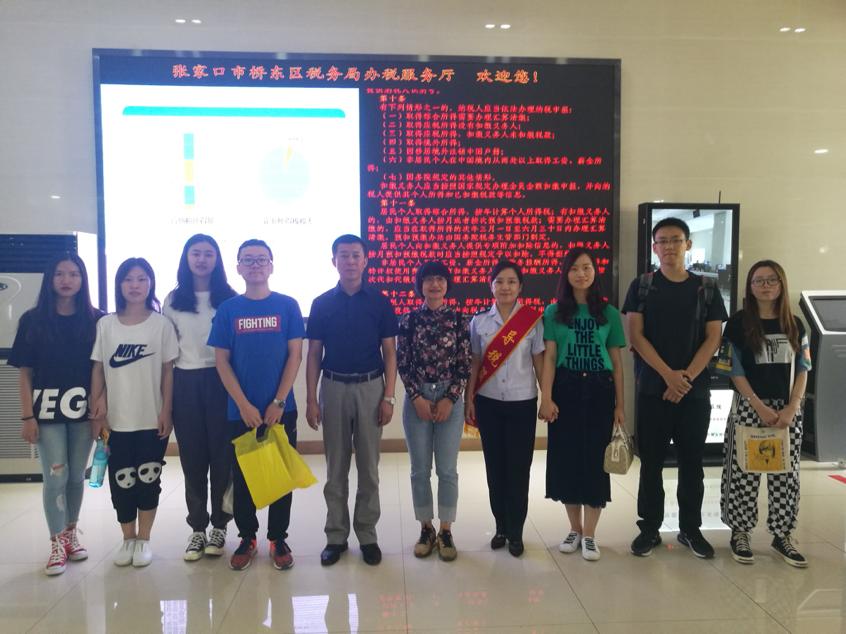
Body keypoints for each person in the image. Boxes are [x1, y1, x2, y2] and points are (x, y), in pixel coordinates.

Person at [622, 217, 727, 559]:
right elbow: (636, 336)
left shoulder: (706, 288)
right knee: (651, 463)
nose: (669, 246)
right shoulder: (642, 286)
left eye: (675, 240)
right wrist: (668, 375)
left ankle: (691, 530)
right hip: (653, 390)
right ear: (654, 248)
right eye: (662, 241)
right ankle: (649, 529)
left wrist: (684, 379)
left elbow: (713, 338)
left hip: (693, 393)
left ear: (688, 245)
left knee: (692, 463)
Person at [207, 239, 304, 572]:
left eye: (262, 259)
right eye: (248, 260)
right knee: (244, 478)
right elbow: (222, 361)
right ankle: (247, 537)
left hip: (281, 409)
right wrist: (243, 404)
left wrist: (279, 401)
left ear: (271, 265)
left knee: (280, 477)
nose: (255, 265)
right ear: (238, 267)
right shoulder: (228, 310)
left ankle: (278, 538)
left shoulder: (288, 306)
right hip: (241, 412)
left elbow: (295, 355)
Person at [305, 234, 398, 567]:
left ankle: (368, 535)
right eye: (343, 255)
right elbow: (313, 354)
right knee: (336, 468)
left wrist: (389, 396)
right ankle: (336, 536)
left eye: (356, 255)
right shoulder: (321, 304)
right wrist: (311, 399)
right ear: (334, 261)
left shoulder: (380, 302)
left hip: (371, 388)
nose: (350, 261)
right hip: (333, 387)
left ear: (365, 260)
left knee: (369, 468)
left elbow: (390, 352)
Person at [9, 253, 102, 576]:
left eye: (74, 274)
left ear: (83, 280)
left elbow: (100, 371)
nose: (66, 280)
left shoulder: (96, 320)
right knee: (56, 477)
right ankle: (56, 543)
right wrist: (26, 417)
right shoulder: (32, 320)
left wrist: (100, 412)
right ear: (50, 279)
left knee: (76, 476)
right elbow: (24, 373)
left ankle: (70, 534)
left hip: (83, 413)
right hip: (46, 414)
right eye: (60, 273)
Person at [719, 260, 811, 567]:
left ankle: (782, 534)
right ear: (750, 286)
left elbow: (804, 368)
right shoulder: (737, 324)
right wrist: (757, 404)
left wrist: (792, 407)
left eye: (772, 280)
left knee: (786, 474)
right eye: (758, 281)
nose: (765, 286)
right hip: (749, 406)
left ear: (782, 284)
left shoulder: (795, 324)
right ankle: (740, 532)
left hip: (787, 410)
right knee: (743, 472)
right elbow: (731, 368)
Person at [538, 248, 626, 561]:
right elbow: (550, 357)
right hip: (566, 388)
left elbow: (617, 363)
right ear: (566, 274)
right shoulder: (553, 312)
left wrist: (620, 405)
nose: (581, 273)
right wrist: (547, 397)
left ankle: (590, 534)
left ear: (594, 271)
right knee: (567, 459)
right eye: (574, 268)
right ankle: (574, 528)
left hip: (599, 389)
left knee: (594, 461)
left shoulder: (609, 313)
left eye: (586, 267)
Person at [90, 257, 178, 568]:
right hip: (116, 420)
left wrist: (166, 411)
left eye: (142, 279)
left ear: (150, 283)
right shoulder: (106, 324)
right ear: (119, 285)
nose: (135, 285)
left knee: (148, 478)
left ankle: (144, 539)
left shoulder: (162, 325)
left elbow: (168, 372)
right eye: (128, 279)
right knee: (121, 480)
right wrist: (97, 405)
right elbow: (98, 368)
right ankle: (127, 538)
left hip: (151, 418)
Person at [163, 234, 237, 562]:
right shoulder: (173, 299)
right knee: (192, 459)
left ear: (217, 259)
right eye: (196, 253)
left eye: (209, 254)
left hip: (221, 380)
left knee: (222, 457)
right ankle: (197, 528)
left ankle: (220, 525)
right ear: (186, 258)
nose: (202, 259)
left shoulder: (230, 298)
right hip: (185, 381)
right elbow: (168, 352)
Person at [465, 260, 544, 557]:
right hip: (488, 402)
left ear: (520, 286)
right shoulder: (479, 322)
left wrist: (547, 396)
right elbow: (475, 362)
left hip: (522, 402)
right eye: (499, 281)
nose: (505, 287)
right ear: (491, 286)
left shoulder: (532, 320)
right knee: (495, 468)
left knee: (518, 469)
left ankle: (516, 531)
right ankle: (500, 526)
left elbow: (538, 361)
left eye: (511, 281)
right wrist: (469, 398)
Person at [397, 261, 471, 562]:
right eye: (428, 280)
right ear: (420, 286)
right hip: (417, 400)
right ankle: (426, 528)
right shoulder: (409, 320)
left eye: (440, 279)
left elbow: (464, 364)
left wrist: (450, 399)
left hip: (449, 400)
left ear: (447, 284)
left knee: (447, 470)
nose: (435, 284)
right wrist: (416, 397)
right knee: (419, 470)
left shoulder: (460, 320)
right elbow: (403, 362)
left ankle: (446, 530)